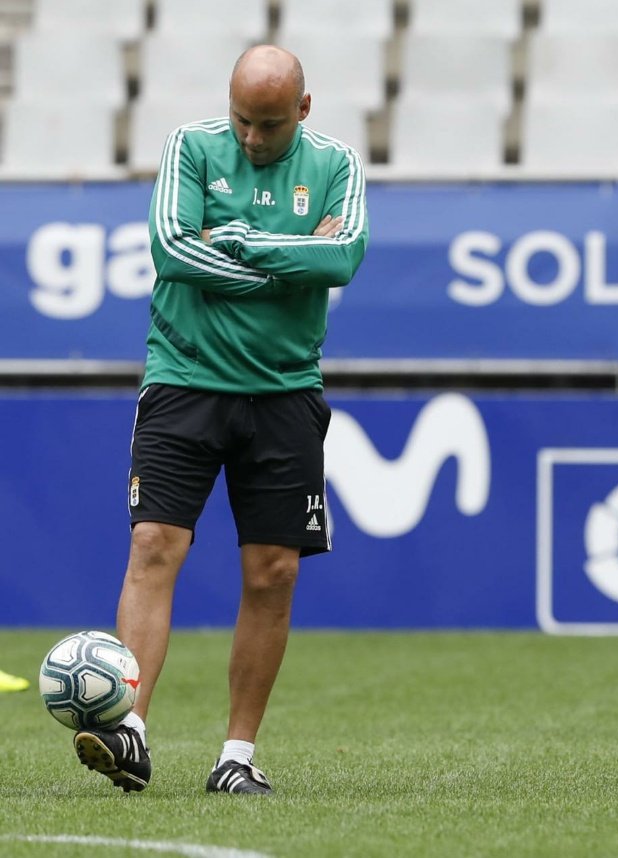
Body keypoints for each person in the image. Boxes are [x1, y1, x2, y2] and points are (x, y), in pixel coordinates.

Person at [71, 44, 368, 795]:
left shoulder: (336, 165)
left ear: (302, 110)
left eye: (268, 126)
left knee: (273, 573)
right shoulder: (190, 146)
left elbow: (345, 258)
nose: (250, 139)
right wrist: (290, 260)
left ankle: (237, 755)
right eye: (242, 120)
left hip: (283, 390)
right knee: (153, 545)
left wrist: (242, 245)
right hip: (184, 380)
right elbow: (172, 249)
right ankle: (128, 729)